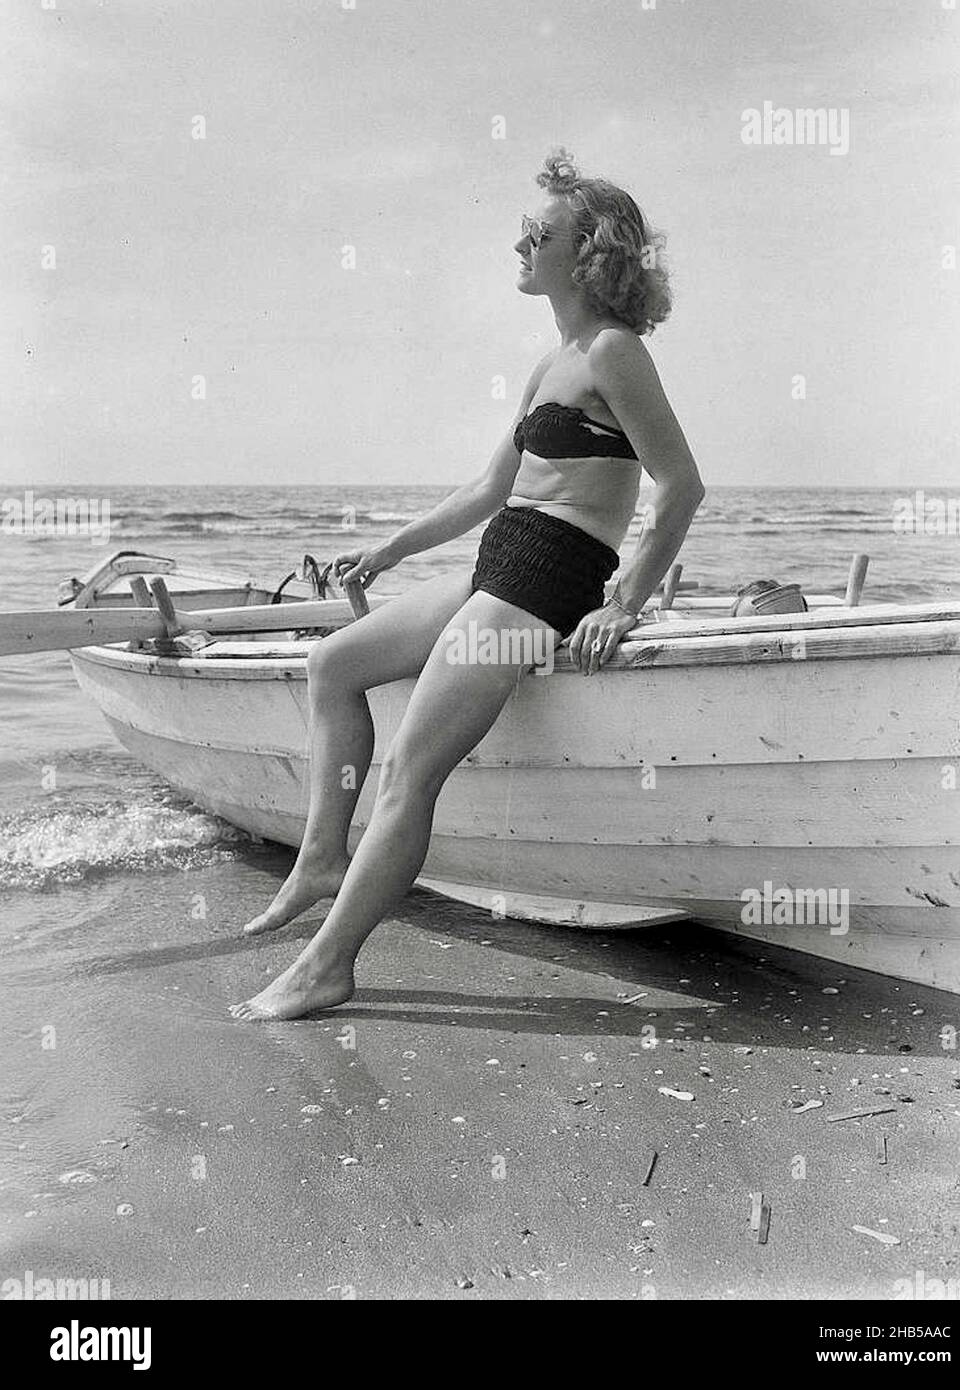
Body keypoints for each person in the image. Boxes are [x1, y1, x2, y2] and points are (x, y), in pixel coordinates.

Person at [230, 147, 705, 1021]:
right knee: (332, 665)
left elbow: (681, 484)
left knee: (410, 771)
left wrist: (622, 602)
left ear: (590, 252)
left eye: (539, 232)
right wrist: (391, 551)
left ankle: (328, 965)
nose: (519, 244)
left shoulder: (614, 352)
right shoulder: (552, 359)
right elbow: (490, 491)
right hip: (501, 561)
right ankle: (320, 860)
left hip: (549, 578)